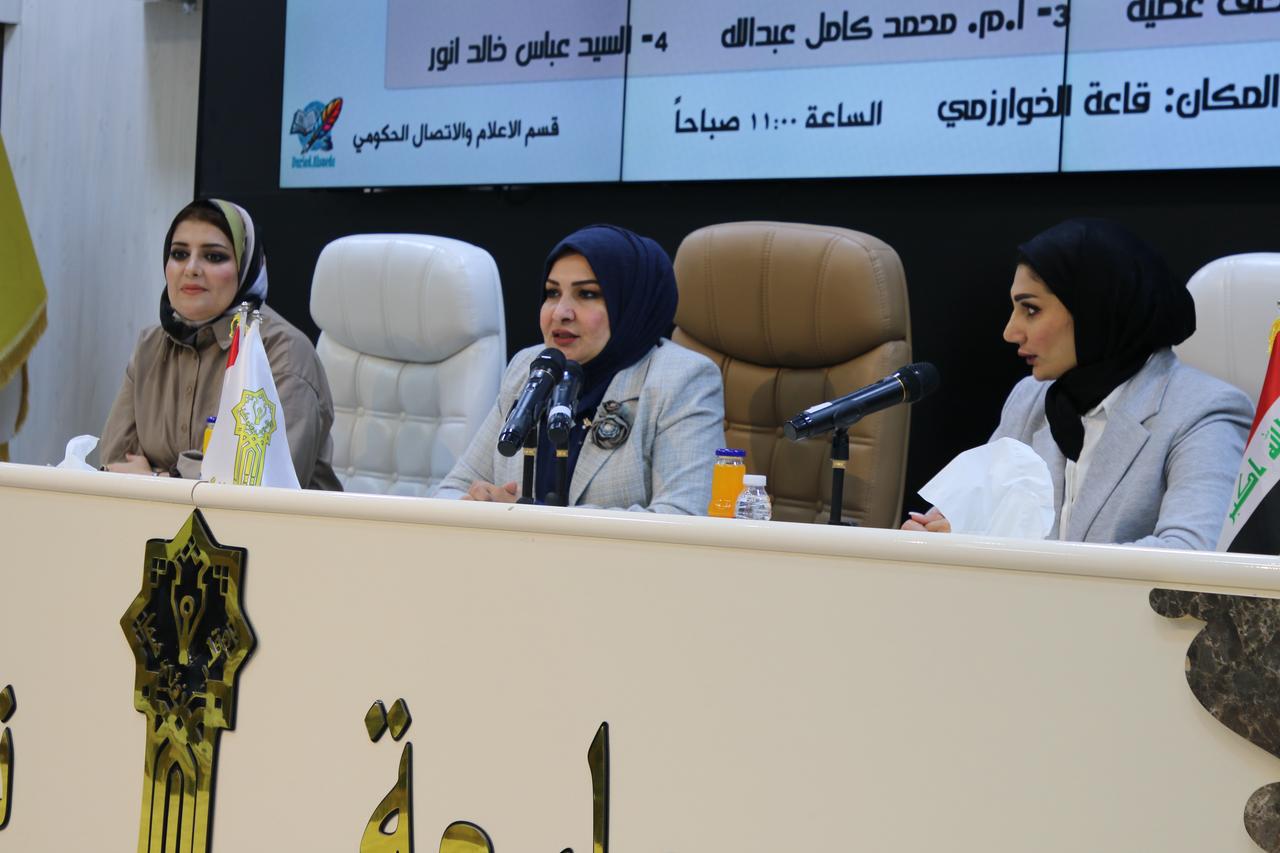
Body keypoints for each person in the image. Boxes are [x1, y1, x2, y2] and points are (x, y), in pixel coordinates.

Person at [904, 218, 1251, 549]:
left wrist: (1005, 550)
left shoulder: (1205, 411)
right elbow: (966, 517)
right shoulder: (1031, 398)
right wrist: (933, 537)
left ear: (1094, 307)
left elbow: (1190, 553)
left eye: (1031, 310)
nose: (1010, 332)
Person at [434, 224, 725, 513]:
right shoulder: (530, 367)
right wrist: (477, 504)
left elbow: (684, 514)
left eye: (587, 294)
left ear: (632, 304)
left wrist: (536, 517)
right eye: (552, 293)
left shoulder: (681, 378)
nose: (560, 313)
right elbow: (450, 490)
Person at [101, 199, 342, 490]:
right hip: (161, 520)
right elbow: (115, 466)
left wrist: (157, 479)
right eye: (179, 254)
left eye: (214, 257)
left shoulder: (282, 352)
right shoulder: (150, 346)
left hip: (270, 521)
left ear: (246, 267)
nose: (191, 268)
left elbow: (260, 483)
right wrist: (196, 475)